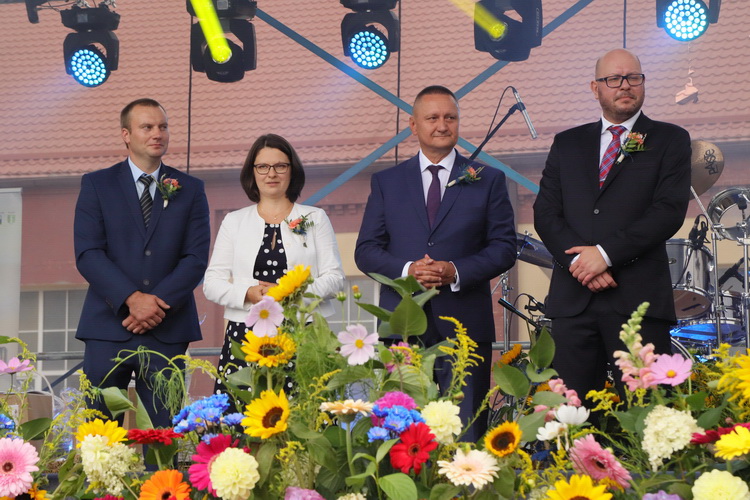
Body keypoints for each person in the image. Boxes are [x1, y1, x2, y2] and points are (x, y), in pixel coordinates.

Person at [355, 86, 517, 440]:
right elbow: (366, 250)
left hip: (466, 329)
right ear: (414, 125)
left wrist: (455, 270)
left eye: (450, 117)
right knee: (403, 436)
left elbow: (504, 248)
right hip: (403, 327)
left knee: (466, 433)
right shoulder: (386, 182)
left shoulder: (488, 179)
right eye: (432, 118)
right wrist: (408, 271)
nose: (442, 125)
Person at [533, 49, 691, 405]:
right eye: (614, 79)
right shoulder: (567, 143)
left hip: (638, 300)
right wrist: (580, 263)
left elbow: (668, 211)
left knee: (649, 414)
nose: (625, 86)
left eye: (634, 77)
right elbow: (545, 212)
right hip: (574, 301)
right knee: (573, 416)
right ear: (595, 88)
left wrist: (604, 255)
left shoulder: (670, 139)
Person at [74, 98, 210, 428]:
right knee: (100, 435)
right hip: (108, 326)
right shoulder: (97, 184)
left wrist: (155, 304)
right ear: (126, 134)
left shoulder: (191, 189)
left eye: (163, 126)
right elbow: (88, 253)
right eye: (147, 127)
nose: (157, 134)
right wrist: (132, 300)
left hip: (168, 328)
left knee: (166, 434)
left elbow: (195, 259)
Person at [203, 133, 345, 395]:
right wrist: (247, 293)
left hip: (304, 330)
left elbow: (335, 278)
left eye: (280, 166)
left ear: (292, 170)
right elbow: (211, 283)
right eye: (263, 166)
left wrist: (288, 294)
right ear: (252, 172)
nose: (271, 173)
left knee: (305, 410)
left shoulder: (315, 217)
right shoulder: (234, 221)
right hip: (246, 333)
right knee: (246, 413)